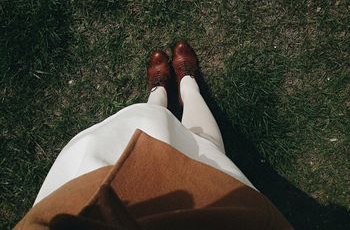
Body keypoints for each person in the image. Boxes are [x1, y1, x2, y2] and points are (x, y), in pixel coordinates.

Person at [15, 42, 293, 229]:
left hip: (84, 203)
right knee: (207, 161)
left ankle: (159, 92)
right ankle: (187, 84)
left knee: (135, 131)